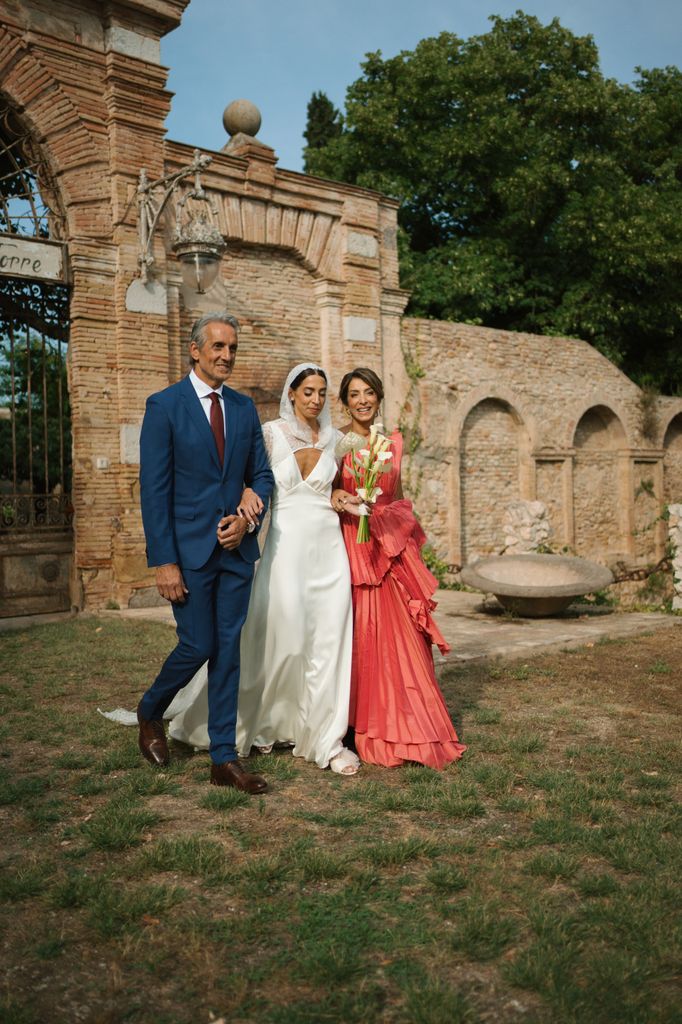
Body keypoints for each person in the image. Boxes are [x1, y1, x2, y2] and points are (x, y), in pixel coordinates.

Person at [169, 363, 360, 775]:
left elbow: (337, 487)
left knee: (328, 643)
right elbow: (245, 477)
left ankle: (324, 735)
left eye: (322, 392)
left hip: (330, 552)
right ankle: (268, 720)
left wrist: (343, 496)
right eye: (308, 391)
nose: (316, 399)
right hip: (285, 549)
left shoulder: (337, 441)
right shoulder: (270, 434)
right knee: (284, 638)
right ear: (291, 393)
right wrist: (247, 498)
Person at [135, 312, 274, 794]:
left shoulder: (243, 407)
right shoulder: (164, 406)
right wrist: (164, 561)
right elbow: (154, 490)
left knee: (228, 651)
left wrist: (247, 515)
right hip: (188, 554)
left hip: (236, 554)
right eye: (218, 347)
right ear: (195, 350)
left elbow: (262, 476)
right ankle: (150, 710)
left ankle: (223, 759)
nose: (226, 356)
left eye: (232, 348)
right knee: (198, 645)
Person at [331, 367, 466, 770]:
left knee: (404, 636)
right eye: (354, 394)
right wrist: (340, 496)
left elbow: (400, 496)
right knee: (362, 637)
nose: (362, 401)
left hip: (391, 549)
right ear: (345, 401)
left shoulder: (392, 442)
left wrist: (405, 542)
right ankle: (358, 723)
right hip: (353, 548)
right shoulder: (338, 443)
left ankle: (409, 721)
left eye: (369, 392)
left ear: (379, 396)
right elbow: (324, 488)